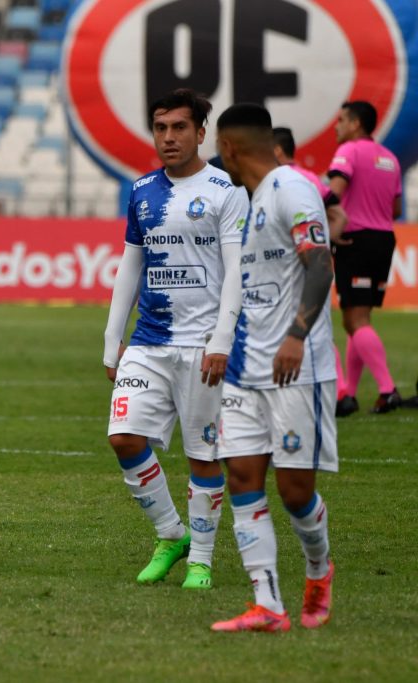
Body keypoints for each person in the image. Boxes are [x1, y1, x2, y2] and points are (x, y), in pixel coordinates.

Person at [103, 89, 248, 590]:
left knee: (202, 456)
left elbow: (236, 272)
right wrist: (111, 339)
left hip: (203, 344)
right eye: (160, 128)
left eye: (179, 128)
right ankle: (171, 533)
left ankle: (201, 559)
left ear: (201, 133)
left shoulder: (228, 189)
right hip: (149, 340)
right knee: (123, 437)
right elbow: (130, 265)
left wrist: (222, 340)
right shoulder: (142, 189)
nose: (168, 137)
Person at [212, 103, 337, 633]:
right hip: (246, 369)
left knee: (294, 491)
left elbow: (321, 262)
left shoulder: (292, 188)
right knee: (241, 475)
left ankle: (317, 568)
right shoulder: (252, 201)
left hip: (296, 365)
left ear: (229, 148)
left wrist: (295, 334)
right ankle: (267, 604)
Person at [327, 101, 403, 415]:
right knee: (358, 319)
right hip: (384, 239)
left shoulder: (349, 151)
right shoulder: (390, 158)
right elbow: (396, 210)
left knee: (354, 319)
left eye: (341, 119)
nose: (336, 126)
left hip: (354, 239)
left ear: (356, 123)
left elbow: (334, 192)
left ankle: (388, 390)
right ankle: (352, 395)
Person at [272, 127, 352, 414]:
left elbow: (338, 214)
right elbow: (339, 213)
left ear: (278, 150)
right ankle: (338, 390)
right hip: (311, 258)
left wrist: (315, 245)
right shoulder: (312, 180)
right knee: (319, 326)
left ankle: (334, 391)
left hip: (294, 264)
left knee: (302, 324)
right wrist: (325, 242)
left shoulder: (280, 182)